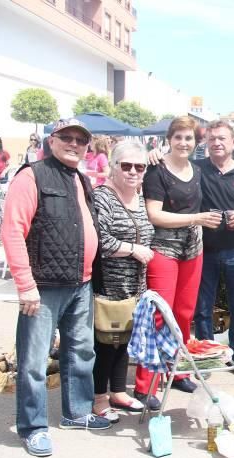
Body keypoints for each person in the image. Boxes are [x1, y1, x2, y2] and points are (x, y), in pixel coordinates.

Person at [0, 118, 112, 456]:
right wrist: (25, 284)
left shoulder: (80, 178)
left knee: (81, 352)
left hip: (81, 282)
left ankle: (76, 412)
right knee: (34, 362)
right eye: (67, 138)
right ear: (52, 141)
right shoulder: (31, 176)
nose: (75, 144)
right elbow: (12, 231)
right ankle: (32, 427)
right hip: (44, 286)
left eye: (81, 140)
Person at [138, 116, 221, 408]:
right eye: (178, 138)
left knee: (185, 314)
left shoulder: (197, 171)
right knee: (160, 314)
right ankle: (145, 383)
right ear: (168, 140)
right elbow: (155, 214)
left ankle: (178, 370)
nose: (184, 143)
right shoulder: (156, 170)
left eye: (189, 138)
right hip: (163, 249)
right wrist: (196, 219)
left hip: (192, 249)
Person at [192, 121, 234, 378]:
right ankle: (207, 357)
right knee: (203, 308)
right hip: (205, 250)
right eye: (212, 139)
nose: (217, 143)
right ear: (206, 143)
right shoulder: (196, 169)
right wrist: (155, 154)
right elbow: (169, 166)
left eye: (222, 138)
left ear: (233, 143)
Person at [91, 141, 155, 420]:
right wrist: (133, 250)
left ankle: (118, 391)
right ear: (114, 167)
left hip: (135, 286)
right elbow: (100, 240)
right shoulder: (102, 197)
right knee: (106, 341)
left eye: (138, 167)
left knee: (124, 339)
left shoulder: (140, 198)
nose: (132, 172)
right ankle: (98, 398)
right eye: (126, 165)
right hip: (109, 284)